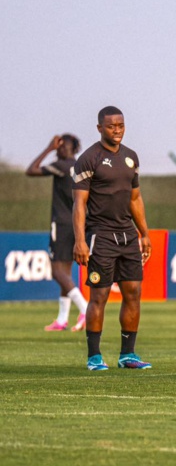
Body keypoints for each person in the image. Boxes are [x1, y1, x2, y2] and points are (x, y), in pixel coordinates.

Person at [72, 106, 152, 371]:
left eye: (120, 125)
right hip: (100, 236)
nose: (116, 130)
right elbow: (79, 204)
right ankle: (94, 356)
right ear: (99, 128)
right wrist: (80, 240)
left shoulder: (131, 158)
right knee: (100, 295)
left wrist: (145, 233)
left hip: (128, 236)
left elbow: (135, 198)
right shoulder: (88, 158)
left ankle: (127, 355)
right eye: (111, 126)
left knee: (133, 294)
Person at [26, 134, 89, 332]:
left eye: (61, 146)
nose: (59, 149)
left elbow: (31, 170)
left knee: (56, 271)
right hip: (78, 223)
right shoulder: (80, 166)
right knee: (66, 272)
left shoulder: (61, 166)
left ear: (68, 148)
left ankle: (85, 308)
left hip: (61, 224)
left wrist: (48, 149)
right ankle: (62, 319)